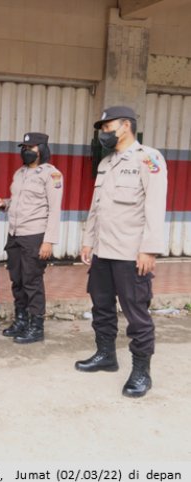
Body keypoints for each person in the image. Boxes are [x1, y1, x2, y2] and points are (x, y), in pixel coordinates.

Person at [76, 106, 167, 398]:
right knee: (101, 306)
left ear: (126, 126)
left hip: (131, 253)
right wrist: (88, 240)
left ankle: (142, 371)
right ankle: (106, 355)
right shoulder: (106, 163)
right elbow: (96, 206)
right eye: (102, 129)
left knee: (136, 313)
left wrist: (149, 250)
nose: (103, 133)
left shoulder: (148, 158)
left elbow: (154, 206)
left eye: (107, 127)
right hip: (103, 250)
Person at [0, 132, 63, 344]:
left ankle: (36, 326)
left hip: (35, 236)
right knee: (17, 280)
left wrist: (48, 241)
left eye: (31, 148)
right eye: (24, 148)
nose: (26, 151)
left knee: (31, 281)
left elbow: (54, 209)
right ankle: (21, 320)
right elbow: (19, 200)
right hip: (15, 233)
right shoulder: (20, 173)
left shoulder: (52, 175)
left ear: (42, 149)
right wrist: (5, 204)